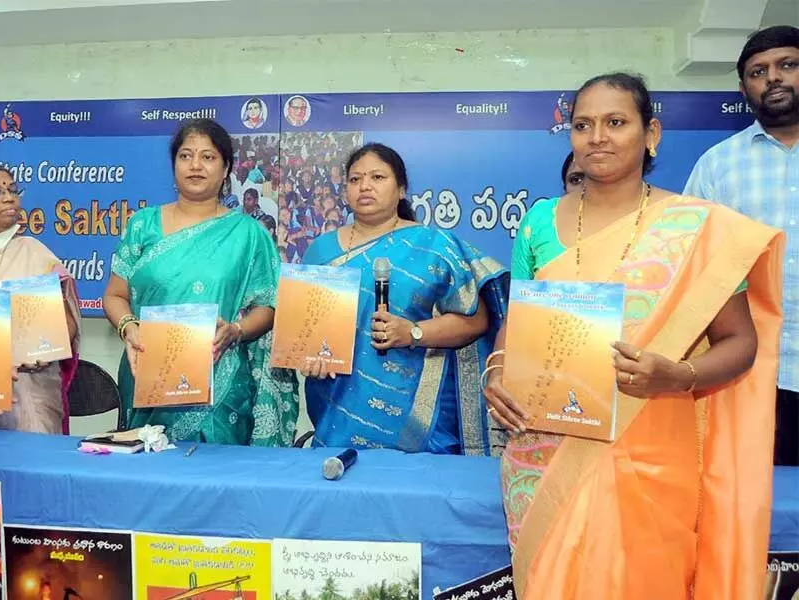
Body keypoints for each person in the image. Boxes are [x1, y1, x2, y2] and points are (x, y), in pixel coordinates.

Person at [484, 72, 783, 599]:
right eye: (583, 124)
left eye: (616, 122)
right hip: (542, 451)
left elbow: (741, 343)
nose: (597, 136)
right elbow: (519, 320)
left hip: (651, 447)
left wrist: (678, 374)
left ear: (652, 134)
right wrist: (494, 373)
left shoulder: (700, 228)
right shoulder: (537, 223)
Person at [301, 143, 509, 455]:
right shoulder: (320, 251)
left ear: (401, 190)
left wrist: (412, 333)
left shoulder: (433, 244)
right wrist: (310, 358)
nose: (365, 186)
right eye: (355, 180)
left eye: (377, 177)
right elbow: (306, 330)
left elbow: (477, 320)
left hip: (414, 413)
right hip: (335, 405)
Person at [103, 118, 298, 445]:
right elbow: (115, 294)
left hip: (221, 383)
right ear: (174, 164)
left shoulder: (249, 234)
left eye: (208, 157)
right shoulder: (142, 225)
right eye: (186, 155)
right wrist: (128, 327)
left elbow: (269, 306)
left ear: (226, 170)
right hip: (147, 369)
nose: (196, 165)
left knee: (217, 483)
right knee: (146, 479)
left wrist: (236, 331)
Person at [684, 25, 799, 467]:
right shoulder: (717, 164)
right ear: (742, 88)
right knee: (754, 505)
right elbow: (691, 263)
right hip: (748, 372)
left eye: (787, 65)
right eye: (758, 71)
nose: (773, 78)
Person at [0, 164, 81, 434]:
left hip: (34, 387)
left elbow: (67, 320)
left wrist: (48, 349)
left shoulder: (35, 251)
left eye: (12, 189)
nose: (9, 197)